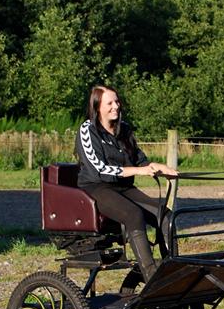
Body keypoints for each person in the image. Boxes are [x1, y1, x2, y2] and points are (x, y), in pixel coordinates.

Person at [76, 85, 177, 282]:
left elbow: (139, 160)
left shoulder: (125, 129)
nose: (116, 106)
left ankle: (173, 266)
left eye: (117, 101)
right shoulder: (87, 130)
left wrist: (160, 168)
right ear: (97, 107)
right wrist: (140, 171)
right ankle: (150, 275)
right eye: (110, 103)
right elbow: (99, 168)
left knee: (166, 216)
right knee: (133, 214)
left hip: (124, 187)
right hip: (97, 187)